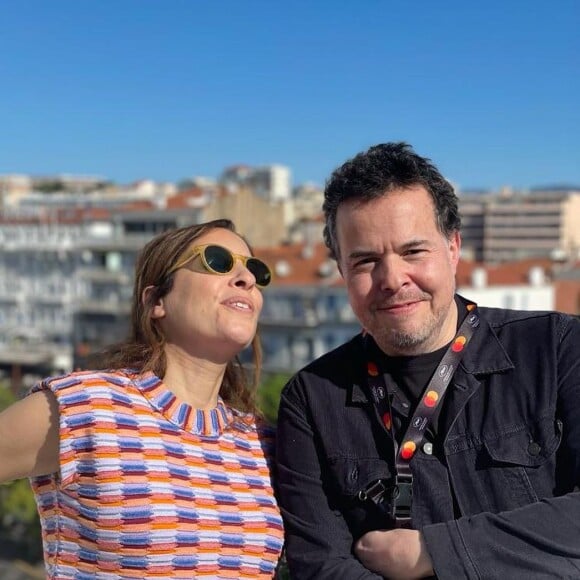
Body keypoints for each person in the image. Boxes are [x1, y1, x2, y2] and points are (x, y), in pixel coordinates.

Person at [275, 142, 580, 579]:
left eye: (413, 252)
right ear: (341, 271)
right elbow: (322, 566)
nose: (393, 279)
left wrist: (432, 552)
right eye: (365, 261)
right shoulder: (311, 400)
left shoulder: (558, 348)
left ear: (453, 248)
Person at [0, 219, 284, 579]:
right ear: (156, 302)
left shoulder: (264, 442)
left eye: (254, 270)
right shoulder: (85, 407)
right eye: (218, 260)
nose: (245, 278)